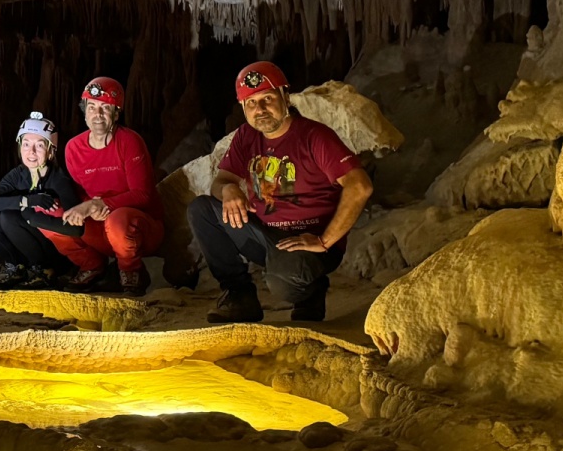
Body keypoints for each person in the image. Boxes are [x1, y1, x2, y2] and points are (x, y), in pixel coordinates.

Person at [189, 61, 374, 324]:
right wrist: (229, 189)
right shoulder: (246, 136)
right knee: (202, 210)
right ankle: (240, 295)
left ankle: (311, 292)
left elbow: (360, 186)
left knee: (284, 286)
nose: (260, 109)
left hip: (309, 240)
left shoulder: (314, 136)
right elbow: (222, 180)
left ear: (285, 96)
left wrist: (324, 241)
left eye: (267, 98)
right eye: (251, 103)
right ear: (242, 108)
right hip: (265, 236)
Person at [41, 77, 164, 296]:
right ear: (85, 111)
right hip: (100, 223)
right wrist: (87, 208)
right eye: (92, 107)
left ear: (116, 113)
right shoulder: (74, 148)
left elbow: (143, 194)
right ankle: (91, 265)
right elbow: (79, 194)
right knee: (46, 210)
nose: (97, 115)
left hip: (140, 228)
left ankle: (131, 271)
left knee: (118, 220)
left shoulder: (129, 141)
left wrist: (100, 204)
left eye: (105, 108)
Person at [0, 113, 81, 289]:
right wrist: (27, 200)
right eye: (26, 144)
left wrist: (32, 217)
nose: (31, 152)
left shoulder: (58, 179)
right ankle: (17, 267)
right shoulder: (18, 174)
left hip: (57, 250)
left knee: (9, 217)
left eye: (39, 145)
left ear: (50, 151)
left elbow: (77, 229)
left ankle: (46, 270)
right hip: (30, 242)